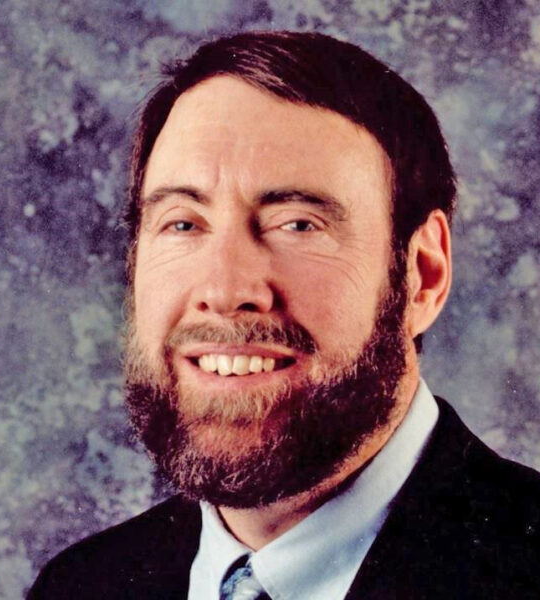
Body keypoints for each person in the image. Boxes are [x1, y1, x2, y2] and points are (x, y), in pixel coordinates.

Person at [28, 31, 540, 599]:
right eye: (183, 223)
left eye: (297, 224)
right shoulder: (79, 585)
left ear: (423, 274)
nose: (224, 291)